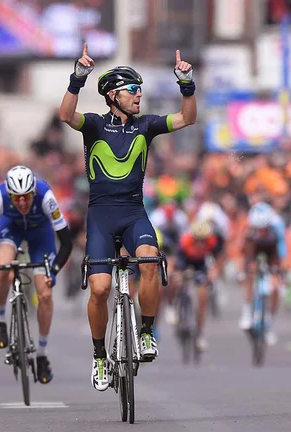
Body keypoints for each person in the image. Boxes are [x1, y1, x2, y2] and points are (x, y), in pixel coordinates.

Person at [58, 42, 197, 391]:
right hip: (102, 217)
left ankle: (147, 332)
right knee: (101, 288)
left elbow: (187, 118)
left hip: (135, 213)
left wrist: (187, 84)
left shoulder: (146, 125)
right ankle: (100, 357)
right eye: (133, 90)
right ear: (113, 96)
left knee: (150, 261)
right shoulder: (92, 125)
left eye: (140, 90)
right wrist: (78, 79)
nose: (139, 96)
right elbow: (65, 116)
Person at [0, 165, 73, 384]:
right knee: (2, 267)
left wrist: (54, 270)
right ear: (9, 194)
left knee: (45, 295)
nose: (22, 203)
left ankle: (42, 354)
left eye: (26, 197)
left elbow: (66, 243)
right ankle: (0, 320)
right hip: (11, 229)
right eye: (17, 198)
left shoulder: (46, 197)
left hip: (41, 235)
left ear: (33, 193)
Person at [239, 202, 286, 345]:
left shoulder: (276, 228)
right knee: (249, 274)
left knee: (275, 287)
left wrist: (278, 271)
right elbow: (246, 253)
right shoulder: (248, 230)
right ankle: (247, 311)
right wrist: (247, 268)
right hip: (253, 250)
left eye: (264, 229)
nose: (261, 232)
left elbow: (280, 253)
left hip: (271, 251)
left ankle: (269, 323)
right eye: (258, 229)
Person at [173, 220, 221, 352]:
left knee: (202, 297)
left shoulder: (212, 242)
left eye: (203, 240)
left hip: (201, 264)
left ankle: (200, 333)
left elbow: (216, 260)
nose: (200, 243)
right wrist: (178, 275)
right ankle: (177, 307)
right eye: (197, 240)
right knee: (177, 281)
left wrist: (214, 271)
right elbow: (177, 263)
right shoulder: (184, 242)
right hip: (185, 261)